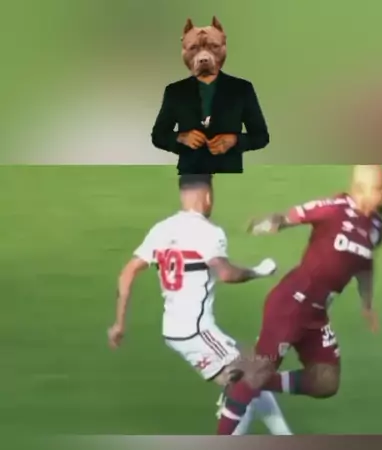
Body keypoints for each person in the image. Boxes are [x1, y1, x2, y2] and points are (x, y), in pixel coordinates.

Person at [107, 174, 291, 435]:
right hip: (195, 331)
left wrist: (119, 324)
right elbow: (226, 274)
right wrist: (258, 271)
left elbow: (127, 272)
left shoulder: (161, 229)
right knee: (248, 381)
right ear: (207, 196)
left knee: (255, 369)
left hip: (175, 329)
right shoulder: (208, 232)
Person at [216, 165, 382, 435]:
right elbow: (291, 216)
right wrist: (268, 223)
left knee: (326, 381)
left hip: (316, 315)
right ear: (360, 189)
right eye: (380, 188)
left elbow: (365, 263)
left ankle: (249, 380)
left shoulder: (377, 227)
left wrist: (366, 304)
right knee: (258, 372)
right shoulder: (333, 209)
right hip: (291, 304)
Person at [151, 17, 269, 175]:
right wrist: (181, 137)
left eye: (213, 47)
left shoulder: (242, 89)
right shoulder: (175, 91)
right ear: (183, 49)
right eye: (194, 48)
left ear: (224, 45)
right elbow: (158, 136)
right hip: (190, 174)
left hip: (229, 174)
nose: (204, 57)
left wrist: (234, 140)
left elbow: (261, 136)